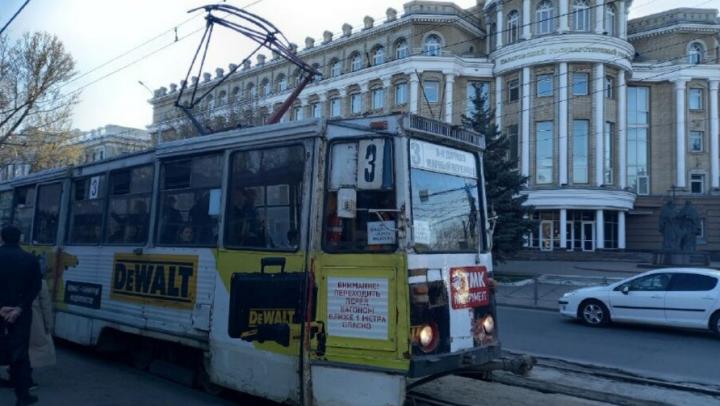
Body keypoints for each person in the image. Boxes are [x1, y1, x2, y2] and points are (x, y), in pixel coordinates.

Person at [0, 225, 41, 406]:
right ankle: (22, 396)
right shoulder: (30, 259)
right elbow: (35, 287)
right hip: (21, 315)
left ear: (1, 238)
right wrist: (18, 308)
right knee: (20, 354)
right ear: (20, 239)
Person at [28, 276, 56, 379]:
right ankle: (26, 380)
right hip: (35, 322)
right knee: (31, 351)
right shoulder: (40, 282)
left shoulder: (13, 278)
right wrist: (48, 325)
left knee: (18, 349)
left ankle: (14, 376)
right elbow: (46, 306)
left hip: (15, 319)